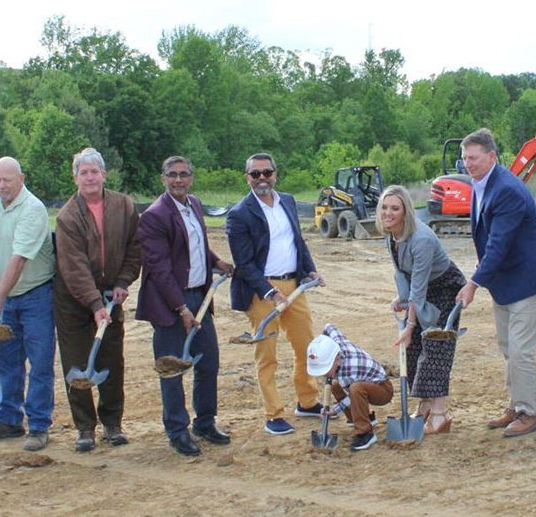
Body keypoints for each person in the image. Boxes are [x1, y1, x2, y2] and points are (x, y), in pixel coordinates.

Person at [454, 128, 536, 438]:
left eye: (473, 158)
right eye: (464, 159)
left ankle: (528, 413)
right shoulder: (480, 185)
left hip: (527, 278)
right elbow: (486, 242)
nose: (468, 164)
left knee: (520, 349)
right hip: (505, 281)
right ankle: (516, 405)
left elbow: (498, 244)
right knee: (507, 346)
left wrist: (473, 283)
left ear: (491, 156)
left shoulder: (507, 190)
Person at [137, 156, 235, 456]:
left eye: (183, 174)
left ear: (191, 178)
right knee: (172, 368)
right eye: (172, 175)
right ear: (163, 178)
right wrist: (181, 308)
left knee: (208, 362)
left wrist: (216, 262)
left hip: (199, 297)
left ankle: (204, 422)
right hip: (170, 304)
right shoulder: (155, 216)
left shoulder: (193, 204)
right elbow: (159, 268)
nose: (178, 180)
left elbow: (196, 245)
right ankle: (177, 430)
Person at [225, 153, 322, 435]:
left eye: (267, 172)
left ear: (275, 174)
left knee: (307, 346)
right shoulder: (239, 214)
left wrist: (310, 271)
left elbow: (298, 242)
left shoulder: (287, 201)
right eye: (255, 174)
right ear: (247, 178)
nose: (262, 178)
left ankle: (307, 401)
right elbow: (243, 263)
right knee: (267, 354)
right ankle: (273, 414)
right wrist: (269, 292)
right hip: (261, 292)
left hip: (294, 286)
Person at [52, 148, 140, 453]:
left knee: (111, 359)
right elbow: (73, 266)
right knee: (77, 360)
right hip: (73, 297)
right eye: (83, 172)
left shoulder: (124, 205)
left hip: (110, 292)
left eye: (94, 171)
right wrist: (94, 305)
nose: (89, 177)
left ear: (104, 174)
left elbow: (134, 247)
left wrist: (122, 282)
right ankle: (85, 428)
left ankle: (112, 423)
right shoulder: (68, 216)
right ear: (75, 177)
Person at [0, 157, 57, 452]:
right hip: (7, 296)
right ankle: (9, 419)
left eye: (7, 179)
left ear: (21, 178)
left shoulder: (33, 209)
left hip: (36, 296)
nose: (1, 185)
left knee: (40, 362)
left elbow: (19, 259)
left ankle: (38, 425)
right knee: (7, 359)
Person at [377, 185, 465, 434]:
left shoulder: (421, 239)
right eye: (384, 207)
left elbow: (419, 286)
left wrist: (410, 324)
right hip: (421, 292)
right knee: (414, 349)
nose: (388, 213)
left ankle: (440, 415)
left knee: (436, 349)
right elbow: (403, 272)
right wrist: (401, 298)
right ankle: (425, 405)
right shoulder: (391, 235)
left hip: (445, 291)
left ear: (406, 211)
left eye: (395, 208)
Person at [306, 325, 392, 452]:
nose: (324, 375)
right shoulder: (337, 344)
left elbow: (351, 397)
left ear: (338, 361)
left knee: (355, 388)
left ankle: (365, 433)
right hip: (365, 385)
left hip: (382, 390)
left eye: (326, 371)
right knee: (335, 385)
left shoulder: (348, 372)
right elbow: (328, 327)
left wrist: (335, 410)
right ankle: (360, 418)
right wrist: (322, 344)